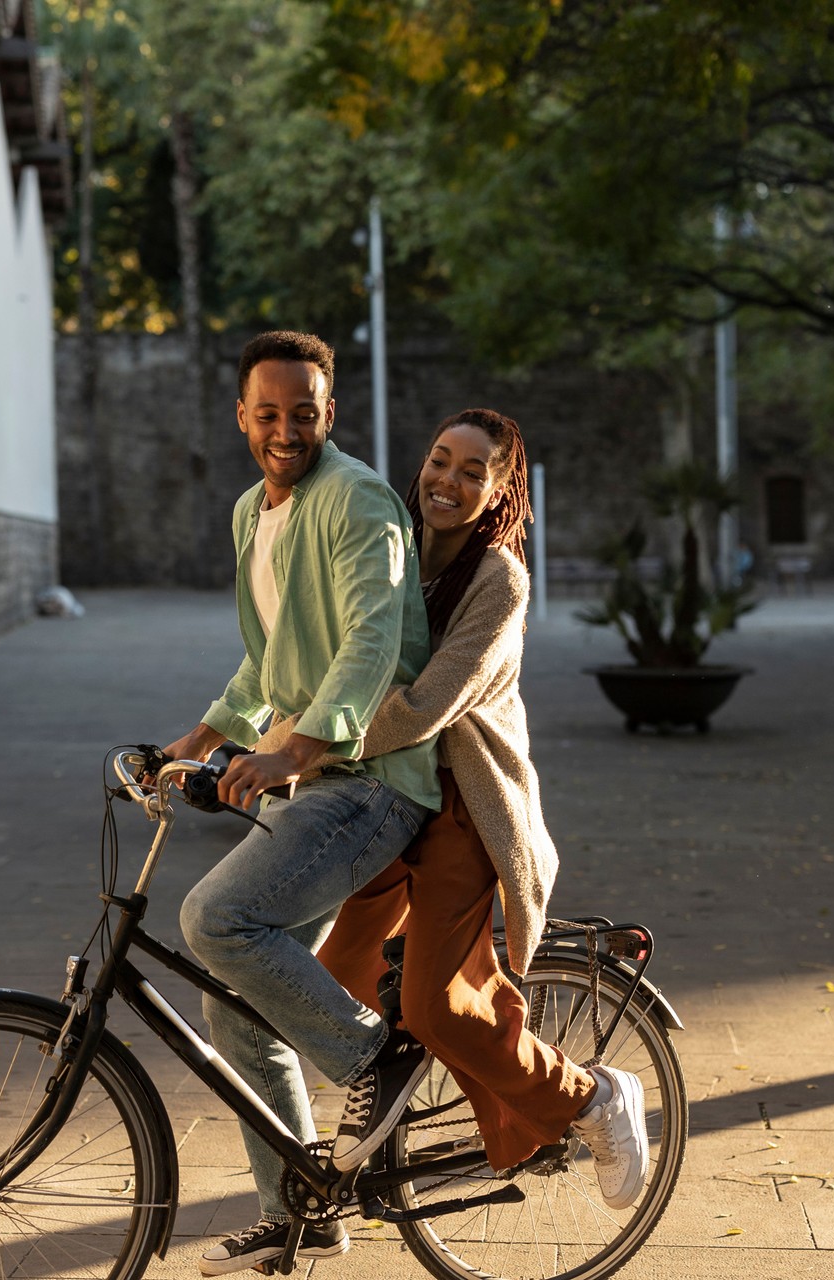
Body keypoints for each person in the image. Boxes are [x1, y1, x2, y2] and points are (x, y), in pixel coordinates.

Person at [308, 408, 650, 1211]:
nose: (448, 481)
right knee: (333, 976)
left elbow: (429, 703)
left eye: (472, 470)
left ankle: (588, 1099)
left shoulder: (500, 579)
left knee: (435, 1004)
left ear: (501, 488)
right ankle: (402, 1097)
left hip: (464, 806)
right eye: (439, 460)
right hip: (389, 794)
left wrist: (314, 740)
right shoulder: (394, 548)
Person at [160, 330, 440, 1277]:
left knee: (216, 917)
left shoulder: (358, 501)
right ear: (241, 416)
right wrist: (205, 735)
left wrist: (296, 748)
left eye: (305, 411)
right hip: (311, 778)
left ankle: (376, 1059)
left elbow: (368, 641)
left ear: (332, 412)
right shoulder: (253, 511)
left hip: (367, 782)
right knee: (234, 991)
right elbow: (274, 652)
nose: (287, 429)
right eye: (268, 413)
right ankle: (303, 1215)